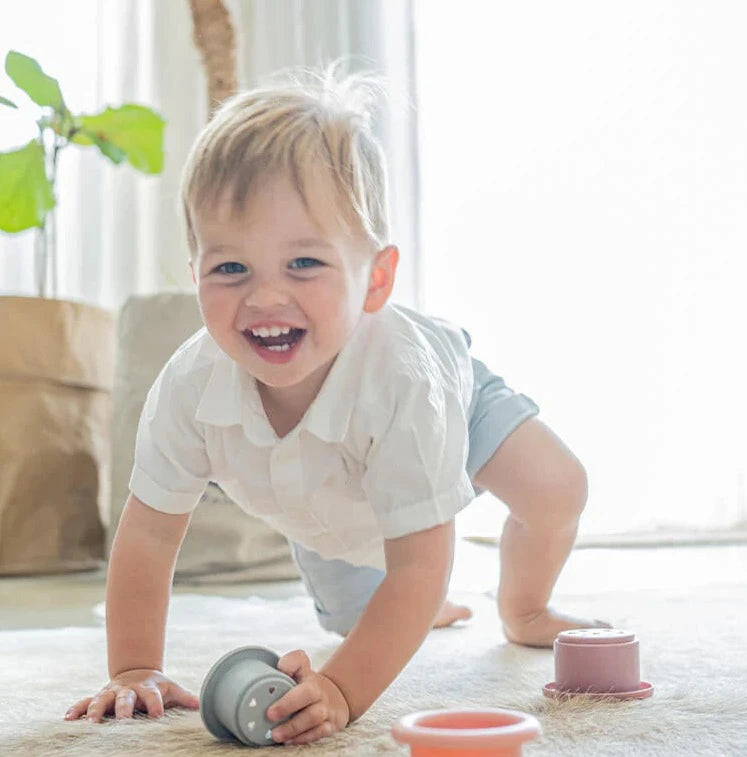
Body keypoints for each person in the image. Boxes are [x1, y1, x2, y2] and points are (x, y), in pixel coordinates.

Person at [65, 66, 608, 745]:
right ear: (194, 272)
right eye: (230, 268)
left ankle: (524, 606)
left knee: (557, 488)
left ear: (374, 279)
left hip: (451, 408)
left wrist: (343, 689)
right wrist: (134, 666)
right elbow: (147, 535)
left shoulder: (403, 378)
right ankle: (415, 608)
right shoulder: (190, 386)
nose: (264, 298)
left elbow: (419, 561)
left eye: (304, 264)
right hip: (322, 496)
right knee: (367, 617)